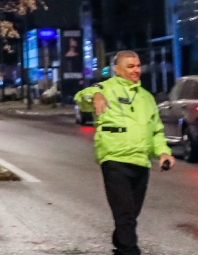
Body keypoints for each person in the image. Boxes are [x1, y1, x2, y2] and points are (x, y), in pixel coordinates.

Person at [73, 50, 173, 255]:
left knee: (131, 214)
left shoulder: (146, 98)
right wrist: (95, 95)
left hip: (141, 161)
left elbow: (156, 130)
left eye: (137, 66)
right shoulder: (105, 88)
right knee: (125, 212)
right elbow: (81, 97)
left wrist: (163, 152)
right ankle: (129, 250)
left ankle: (120, 240)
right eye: (130, 66)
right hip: (115, 158)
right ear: (117, 70)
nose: (136, 70)